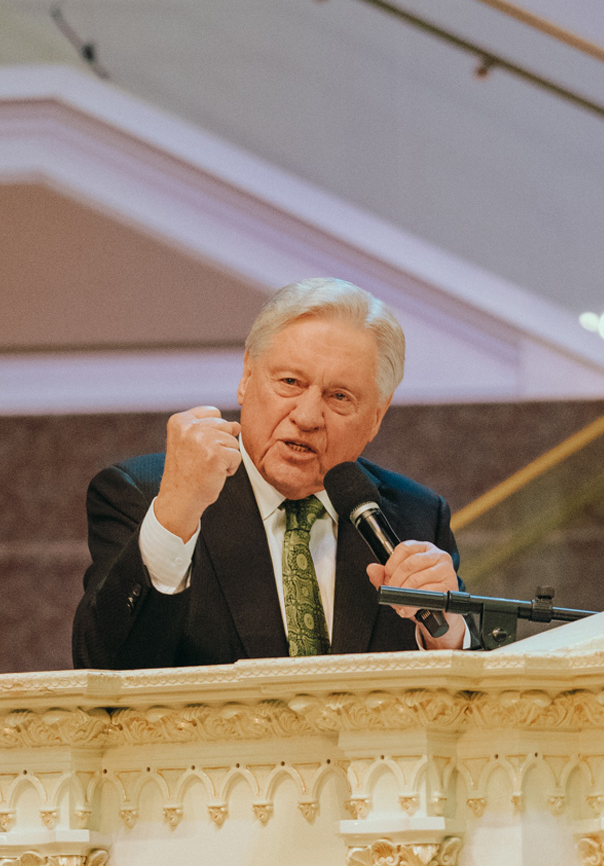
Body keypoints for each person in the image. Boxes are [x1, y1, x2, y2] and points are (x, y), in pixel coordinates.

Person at [73, 278, 468, 669]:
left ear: (377, 416)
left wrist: (447, 634)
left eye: (339, 396)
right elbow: (104, 669)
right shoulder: (146, 496)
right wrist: (175, 516)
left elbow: (473, 678)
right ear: (247, 377)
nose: (307, 417)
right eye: (290, 382)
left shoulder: (415, 516)